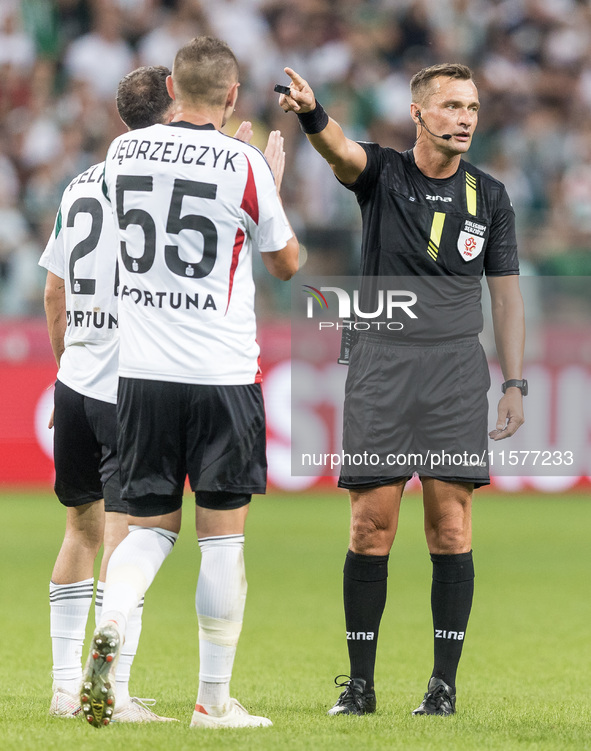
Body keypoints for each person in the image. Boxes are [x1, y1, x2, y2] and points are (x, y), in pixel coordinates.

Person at [278, 63, 525, 716]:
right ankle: (359, 685)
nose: (465, 117)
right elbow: (339, 148)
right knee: (369, 527)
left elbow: (505, 298)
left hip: (452, 373)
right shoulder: (383, 175)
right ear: (418, 114)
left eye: (471, 105)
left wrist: (515, 380)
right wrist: (310, 113)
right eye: (449, 105)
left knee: (449, 527)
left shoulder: (489, 197)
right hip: (380, 368)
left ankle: (442, 685)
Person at [81, 36, 299, 729]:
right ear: (232, 96)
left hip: (141, 373)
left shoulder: (122, 152)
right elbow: (287, 262)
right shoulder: (243, 163)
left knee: (146, 530)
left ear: (172, 87)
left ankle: (111, 633)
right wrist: (266, 183)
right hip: (221, 371)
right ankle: (212, 700)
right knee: (222, 540)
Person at [40, 65, 179, 723]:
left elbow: (53, 289)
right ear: (172, 109)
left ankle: (67, 684)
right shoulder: (169, 183)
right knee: (131, 538)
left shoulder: (81, 183)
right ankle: (112, 688)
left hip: (76, 382)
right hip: (135, 386)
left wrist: (69, 363)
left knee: (79, 528)